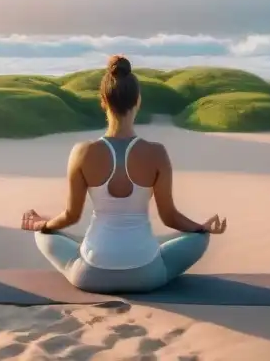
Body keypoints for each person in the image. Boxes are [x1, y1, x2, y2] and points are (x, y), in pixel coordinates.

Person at [21, 54, 227, 294]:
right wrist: (202, 228)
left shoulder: (82, 152)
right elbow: (170, 217)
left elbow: (70, 215)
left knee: (42, 234)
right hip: (147, 275)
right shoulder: (156, 153)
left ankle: (54, 235)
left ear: (102, 101)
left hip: (90, 275)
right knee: (200, 239)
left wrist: (42, 223)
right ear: (137, 101)